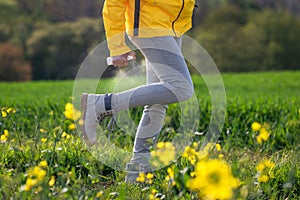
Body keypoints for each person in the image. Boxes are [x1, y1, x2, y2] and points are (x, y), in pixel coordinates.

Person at [81, 0, 196, 183]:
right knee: (181, 88)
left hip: (171, 24)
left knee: (158, 103)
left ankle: (136, 175)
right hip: (150, 25)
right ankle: (102, 104)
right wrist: (117, 46)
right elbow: (114, 3)